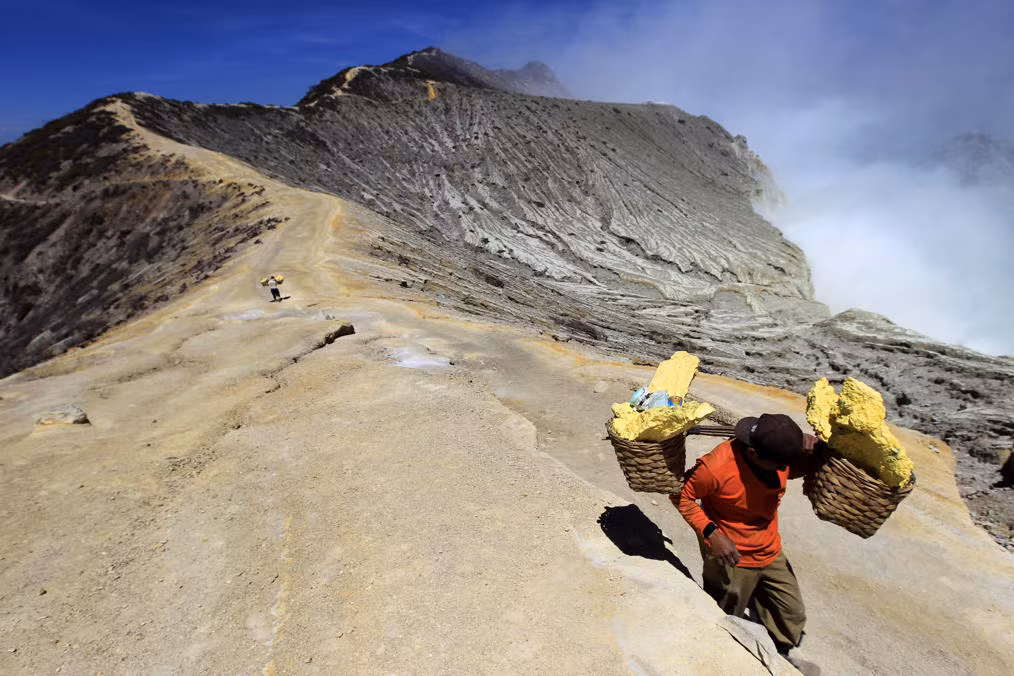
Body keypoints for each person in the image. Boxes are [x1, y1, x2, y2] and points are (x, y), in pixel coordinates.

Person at [672, 413, 821, 674]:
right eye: (780, 464)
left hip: (769, 547)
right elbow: (681, 496)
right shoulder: (715, 468)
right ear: (753, 453)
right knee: (728, 615)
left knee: (792, 613)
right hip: (732, 554)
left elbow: (791, 469)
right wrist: (712, 533)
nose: (784, 469)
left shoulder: (777, 456)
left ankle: (780, 652)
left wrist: (813, 454)